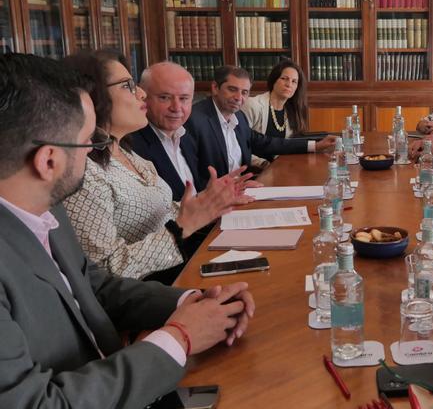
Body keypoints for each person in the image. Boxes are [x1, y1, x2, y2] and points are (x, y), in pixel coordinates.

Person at [0, 52, 255, 408]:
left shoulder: (45, 209)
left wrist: (193, 301)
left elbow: (97, 285)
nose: (96, 151)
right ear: (48, 161)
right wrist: (179, 337)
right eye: (90, 141)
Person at [62, 50, 250, 283]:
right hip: (148, 295)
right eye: (127, 86)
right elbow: (102, 273)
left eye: (184, 98)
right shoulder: (82, 171)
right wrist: (183, 227)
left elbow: (162, 210)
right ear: (90, 96)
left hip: (180, 269)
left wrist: (209, 201)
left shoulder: (126, 151)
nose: (141, 95)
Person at [185, 65, 335, 181]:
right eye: (232, 90)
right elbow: (191, 176)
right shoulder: (195, 119)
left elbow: (267, 143)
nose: (239, 97)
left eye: (244, 92)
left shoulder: (238, 119)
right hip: (215, 201)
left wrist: (316, 145)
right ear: (215, 88)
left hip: (243, 189)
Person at [129, 61, 203, 201]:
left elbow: (193, 194)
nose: (176, 107)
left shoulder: (186, 136)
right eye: (164, 98)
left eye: (184, 99)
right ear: (143, 97)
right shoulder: (132, 146)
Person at [241, 59, 309, 168]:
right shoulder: (252, 105)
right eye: (284, 79)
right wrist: (263, 164)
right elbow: (239, 145)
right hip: (253, 170)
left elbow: (286, 146)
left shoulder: (292, 110)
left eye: (294, 81)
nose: (289, 85)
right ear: (274, 80)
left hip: (280, 168)